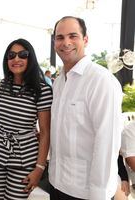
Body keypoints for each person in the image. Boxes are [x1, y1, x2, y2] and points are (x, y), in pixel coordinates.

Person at [49, 16, 123, 200]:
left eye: (73, 36)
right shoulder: (58, 83)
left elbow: (108, 141)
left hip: (86, 191)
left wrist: (98, 195)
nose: (66, 43)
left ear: (85, 39)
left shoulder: (101, 80)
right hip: (57, 184)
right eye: (60, 37)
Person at [0, 38, 52, 199]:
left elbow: (45, 132)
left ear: (30, 59)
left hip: (25, 157)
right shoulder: (3, 85)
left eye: (22, 55)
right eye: (11, 55)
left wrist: (39, 168)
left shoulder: (42, 90)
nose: (16, 59)